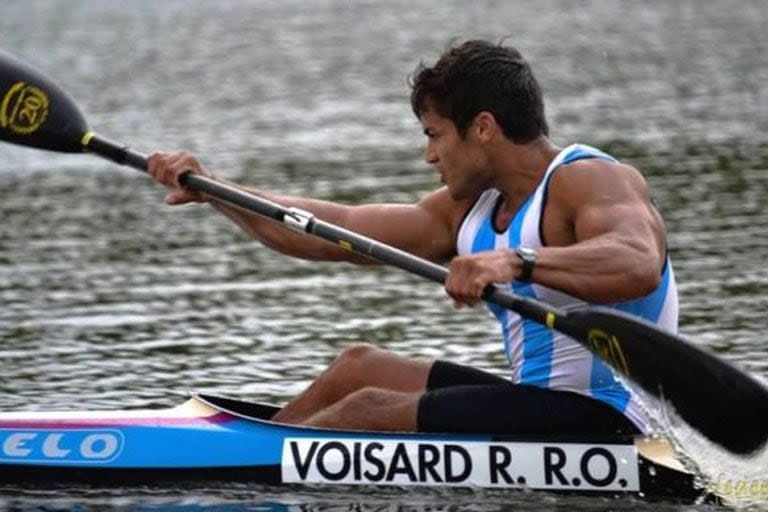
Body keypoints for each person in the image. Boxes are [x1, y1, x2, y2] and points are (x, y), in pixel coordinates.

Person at [147, 40, 677, 437]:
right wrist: (215, 190)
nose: (429, 156)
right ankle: (240, 459)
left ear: (484, 128)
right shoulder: (471, 208)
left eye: (434, 135)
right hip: (545, 407)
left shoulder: (589, 178)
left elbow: (636, 261)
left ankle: (237, 478)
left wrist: (515, 262)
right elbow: (338, 231)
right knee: (358, 370)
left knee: (367, 411)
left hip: (619, 422)